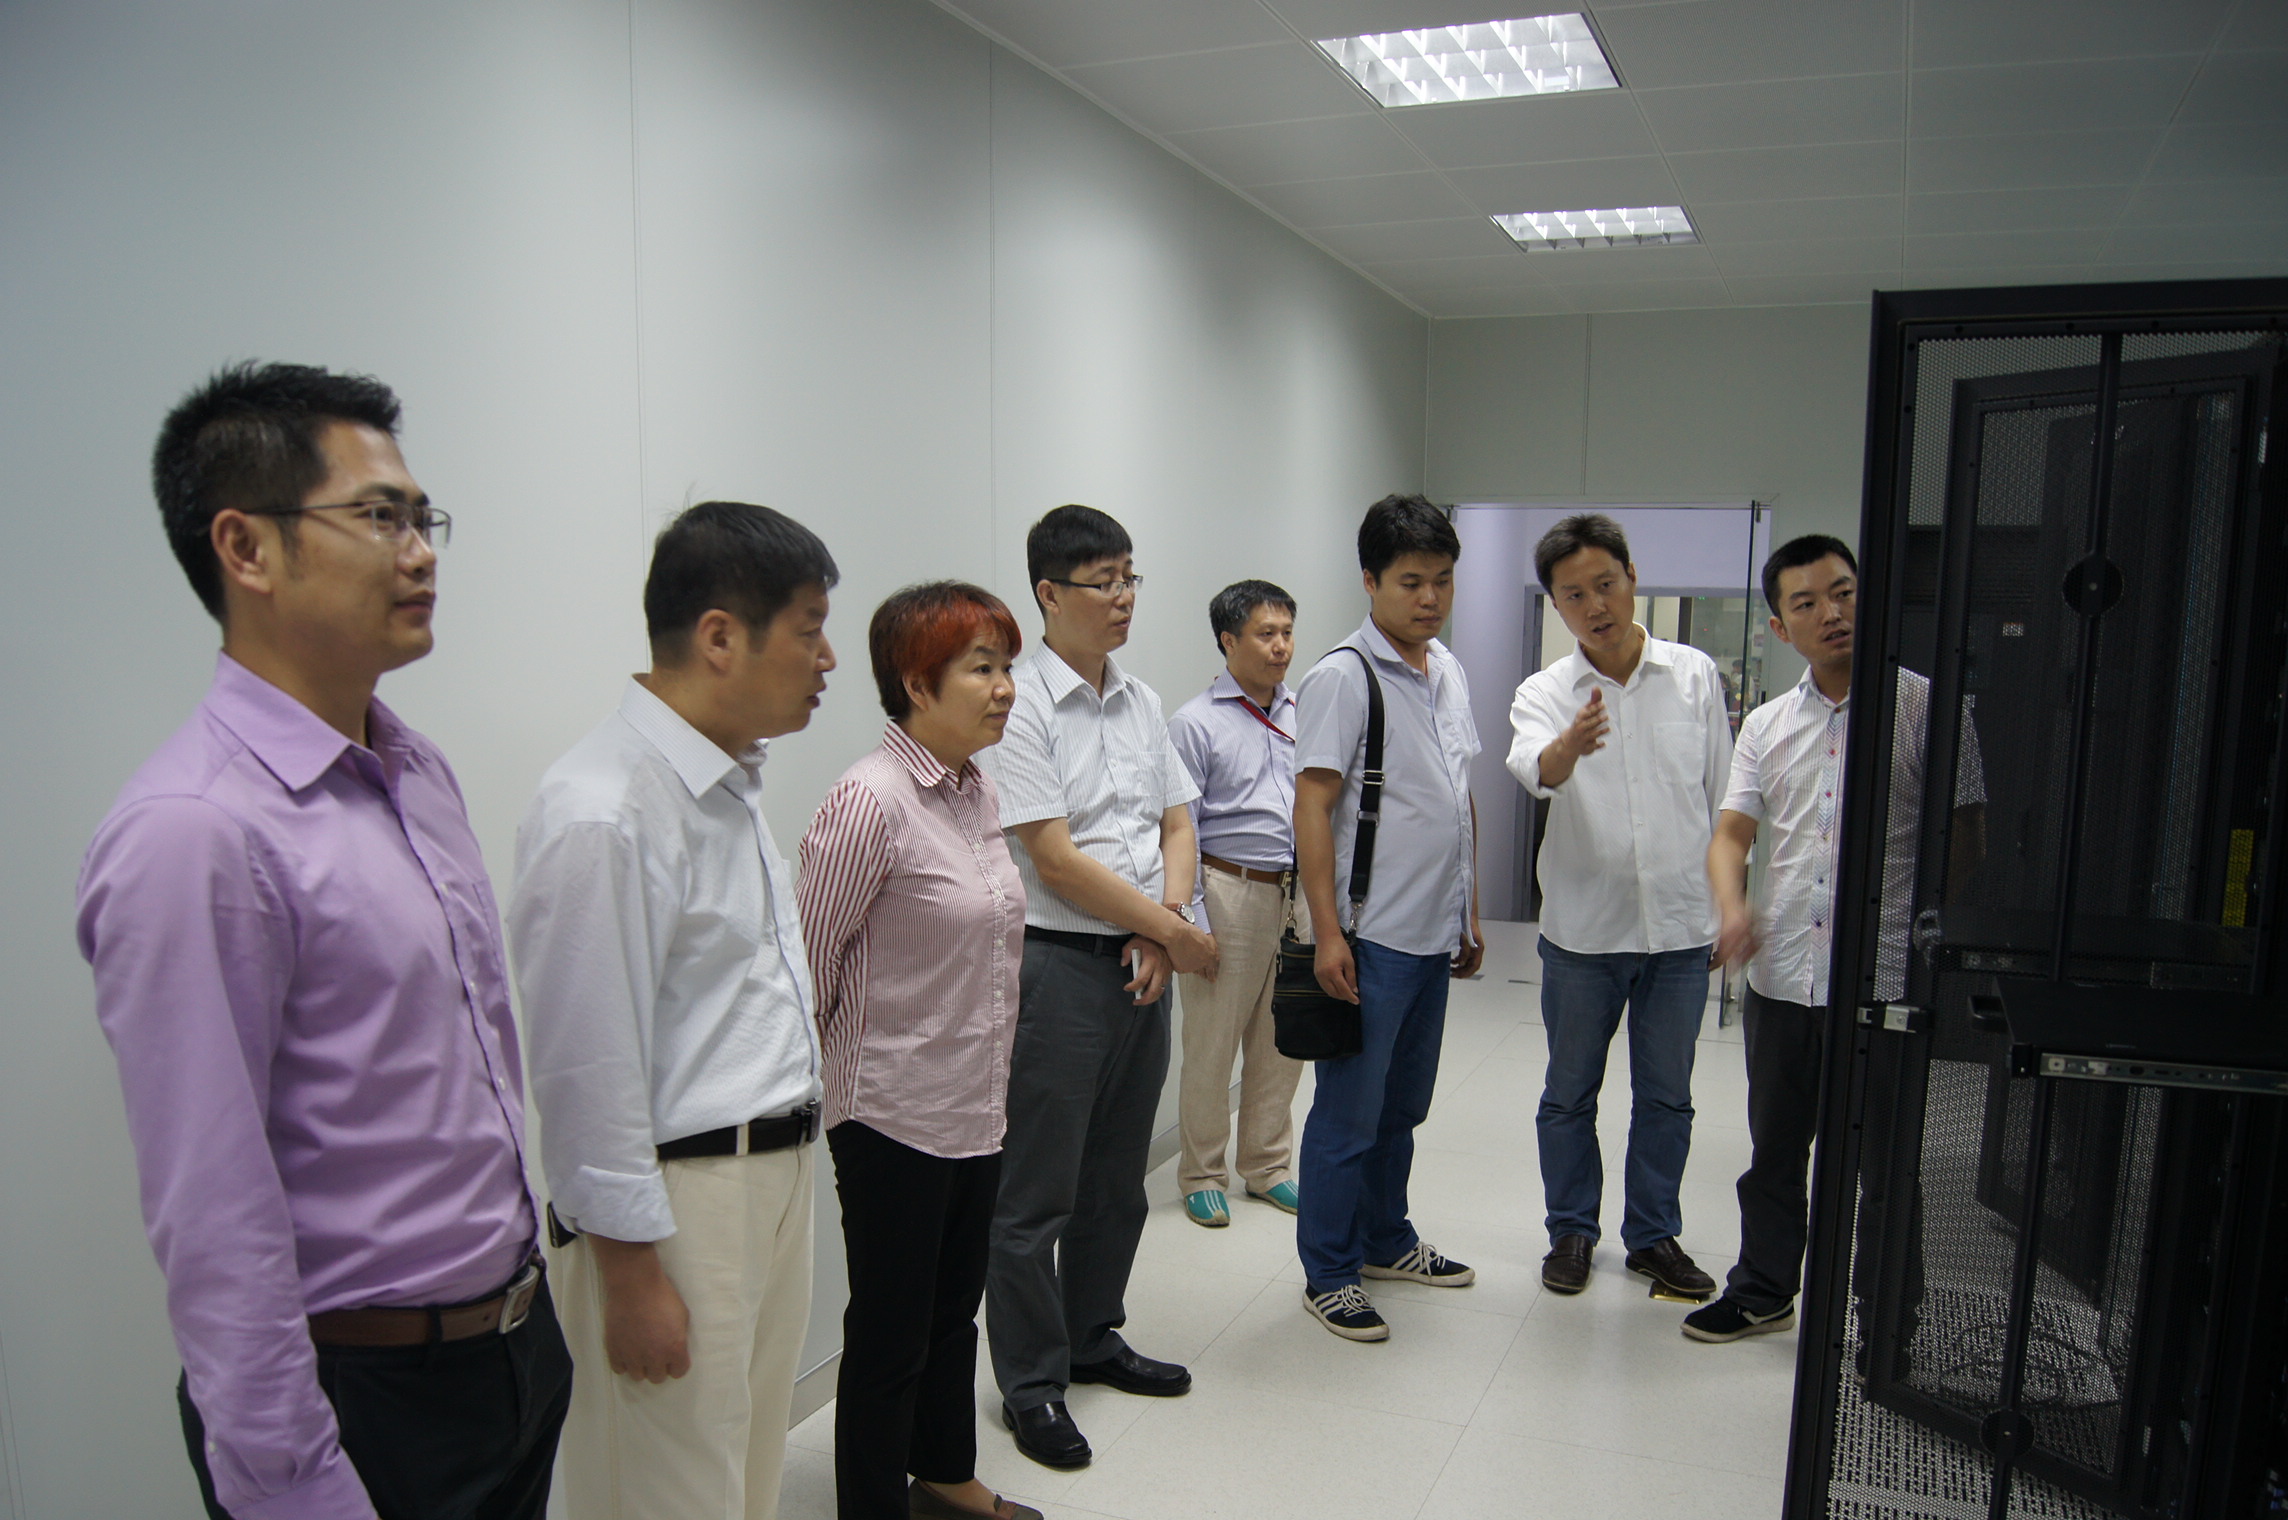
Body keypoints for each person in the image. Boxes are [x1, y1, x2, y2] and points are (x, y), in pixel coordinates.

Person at [77, 362, 569, 1520]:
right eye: (381, 516)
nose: (421, 552)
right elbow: (212, 1214)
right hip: (362, 1399)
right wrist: (293, 1484)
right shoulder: (193, 830)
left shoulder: (413, 771)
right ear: (245, 547)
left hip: (508, 1353)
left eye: (424, 517)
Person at [507, 501, 836, 1520]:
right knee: (663, 1491)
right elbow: (584, 1067)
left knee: (741, 1479)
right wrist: (632, 1276)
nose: (827, 660)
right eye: (810, 630)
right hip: (676, 1207)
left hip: (765, 1179)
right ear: (719, 636)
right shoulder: (604, 807)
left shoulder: (722, 785)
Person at [1684, 535, 1984, 1344]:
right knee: (1775, 1155)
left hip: (1883, 983)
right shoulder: (1767, 725)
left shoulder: (1928, 708)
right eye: (1808, 603)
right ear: (1782, 628)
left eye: (1843, 592)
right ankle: (1763, 1290)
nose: (1832, 613)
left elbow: (1967, 834)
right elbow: (1731, 835)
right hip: (1783, 979)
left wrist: (1917, 923)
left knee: (1885, 1167)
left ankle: (1886, 1320)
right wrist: (1732, 907)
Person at [974, 505, 1214, 1469]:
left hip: (1139, 961)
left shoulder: (1142, 700)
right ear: (1049, 593)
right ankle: (1031, 1383)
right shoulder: (1020, 702)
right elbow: (1055, 859)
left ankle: (1091, 1337)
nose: (1122, 597)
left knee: (1118, 1179)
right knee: (1036, 1193)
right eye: (1102, 581)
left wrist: (1162, 929)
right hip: (1058, 966)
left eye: (1129, 578)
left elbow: (1177, 825)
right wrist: (1170, 931)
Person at [798, 583, 1039, 1520]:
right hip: (891, 1112)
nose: (1005, 687)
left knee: (950, 1314)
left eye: (1006, 665)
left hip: (974, 1102)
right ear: (916, 682)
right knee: (891, 1333)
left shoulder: (977, 788)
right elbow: (808, 967)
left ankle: (943, 1473)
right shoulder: (870, 799)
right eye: (982, 668)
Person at [1507, 513, 1732, 1301]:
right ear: (1557, 606)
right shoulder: (1545, 692)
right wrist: (1569, 747)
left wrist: (1727, 904)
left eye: (1605, 584)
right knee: (1570, 1094)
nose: (1595, 605)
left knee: (1667, 1096)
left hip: (1679, 929)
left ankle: (1653, 1236)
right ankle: (1571, 1230)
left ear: (1632, 577)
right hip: (1583, 933)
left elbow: (1723, 799)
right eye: (1574, 595)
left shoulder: (1694, 676)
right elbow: (1535, 769)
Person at [1292, 493, 1485, 1343]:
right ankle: (1329, 1272)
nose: (1430, 598)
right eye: (1411, 582)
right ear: (1370, 581)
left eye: (1443, 580)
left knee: (1402, 1108)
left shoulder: (1447, 671)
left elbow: (1458, 792)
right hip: (1370, 937)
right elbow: (1313, 806)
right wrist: (1327, 932)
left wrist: (1468, 909)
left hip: (1432, 932)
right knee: (1348, 1116)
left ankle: (1385, 1239)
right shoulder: (1343, 676)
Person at [1166, 580, 1307, 1229]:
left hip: (1295, 894)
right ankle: (1201, 1174)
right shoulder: (1195, 723)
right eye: (1265, 634)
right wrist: (1191, 920)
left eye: (1287, 633)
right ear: (1228, 640)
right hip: (1228, 891)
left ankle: (1267, 1166)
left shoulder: (1305, 712)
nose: (1281, 647)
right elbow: (1180, 827)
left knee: (1284, 1041)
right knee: (1212, 1043)